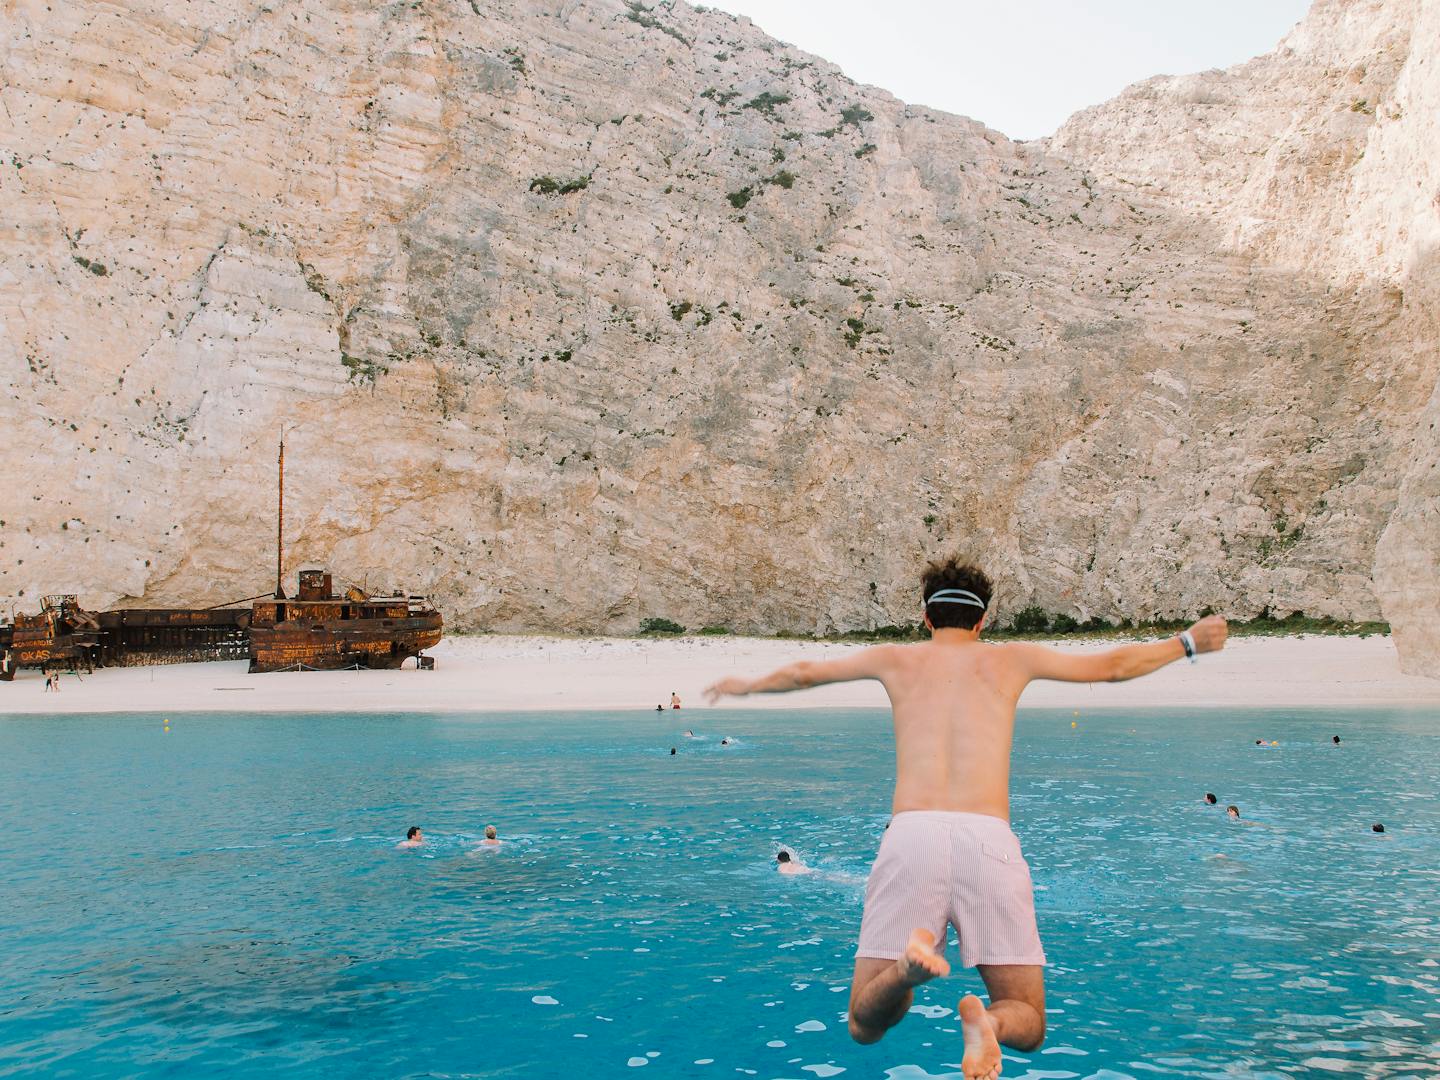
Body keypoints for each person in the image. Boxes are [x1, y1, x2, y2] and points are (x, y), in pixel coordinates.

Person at [704, 554, 1227, 1073]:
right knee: (1028, 1018)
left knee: (864, 1025)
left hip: (911, 836)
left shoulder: (894, 659)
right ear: (982, 622)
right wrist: (1186, 643)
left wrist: (743, 685)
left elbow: (802, 673)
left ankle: (907, 974)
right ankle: (989, 1026)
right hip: (989, 839)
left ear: (926, 618)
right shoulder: (1012, 659)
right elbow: (1111, 667)